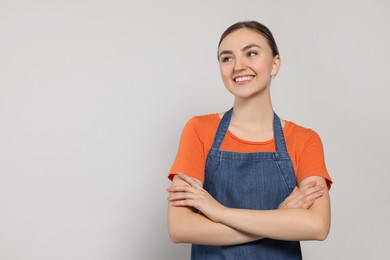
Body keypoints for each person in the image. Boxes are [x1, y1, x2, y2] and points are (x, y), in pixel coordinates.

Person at [167, 21, 332, 259]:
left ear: (275, 64)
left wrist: (219, 212)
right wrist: (280, 218)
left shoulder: (305, 140)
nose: (238, 66)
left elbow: (317, 226)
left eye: (251, 53)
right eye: (227, 58)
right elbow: (180, 228)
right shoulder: (199, 129)